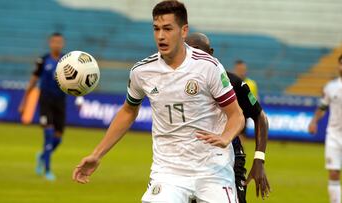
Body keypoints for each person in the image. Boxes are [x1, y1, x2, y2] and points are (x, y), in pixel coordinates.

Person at [72, 1, 245, 202]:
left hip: (212, 169)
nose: (161, 36)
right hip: (168, 171)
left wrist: (226, 136)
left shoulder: (209, 67)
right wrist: (97, 154)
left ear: (183, 31)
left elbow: (236, 115)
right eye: (156, 29)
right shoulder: (142, 72)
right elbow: (128, 111)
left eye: (168, 28)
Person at [185, 32, 270, 202]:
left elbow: (260, 116)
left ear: (210, 52)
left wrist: (259, 160)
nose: (194, 56)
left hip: (229, 157)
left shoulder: (232, 82)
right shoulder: (179, 83)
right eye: (189, 51)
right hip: (189, 157)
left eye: (198, 51)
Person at [19, 32, 72, 181]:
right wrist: (24, 102)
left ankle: (42, 155)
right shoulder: (43, 60)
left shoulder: (67, 61)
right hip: (45, 101)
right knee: (48, 135)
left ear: (63, 44)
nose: (57, 44)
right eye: (54, 42)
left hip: (60, 101)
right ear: (50, 43)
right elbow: (33, 81)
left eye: (59, 42)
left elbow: (75, 81)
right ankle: (47, 170)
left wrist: (79, 99)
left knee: (58, 138)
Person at [308, 54, 342, 203]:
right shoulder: (331, 87)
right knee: (334, 172)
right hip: (334, 135)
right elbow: (323, 107)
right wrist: (314, 121)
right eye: (341, 64)